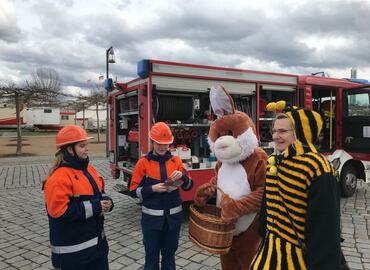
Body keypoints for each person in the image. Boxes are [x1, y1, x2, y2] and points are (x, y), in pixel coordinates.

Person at [250, 104, 342, 270]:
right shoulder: (274, 160)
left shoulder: (317, 167)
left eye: (283, 131)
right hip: (268, 254)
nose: (276, 136)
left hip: (297, 258)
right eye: (274, 131)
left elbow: (326, 229)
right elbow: (267, 208)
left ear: (300, 133)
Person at [43, 125, 113, 270]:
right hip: (73, 256)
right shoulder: (58, 178)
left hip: (97, 250)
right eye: (82, 146)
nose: (87, 149)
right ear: (69, 149)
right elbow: (59, 212)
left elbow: (100, 191)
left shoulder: (89, 169)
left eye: (86, 145)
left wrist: (108, 201)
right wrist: (97, 206)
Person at [129, 122, 193, 270]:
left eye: (166, 144)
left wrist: (182, 176)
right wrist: (152, 189)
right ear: (152, 142)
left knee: (169, 260)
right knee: (151, 260)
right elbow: (133, 191)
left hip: (173, 222)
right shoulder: (143, 163)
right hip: (151, 222)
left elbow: (189, 186)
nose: (163, 147)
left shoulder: (176, 161)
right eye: (159, 143)